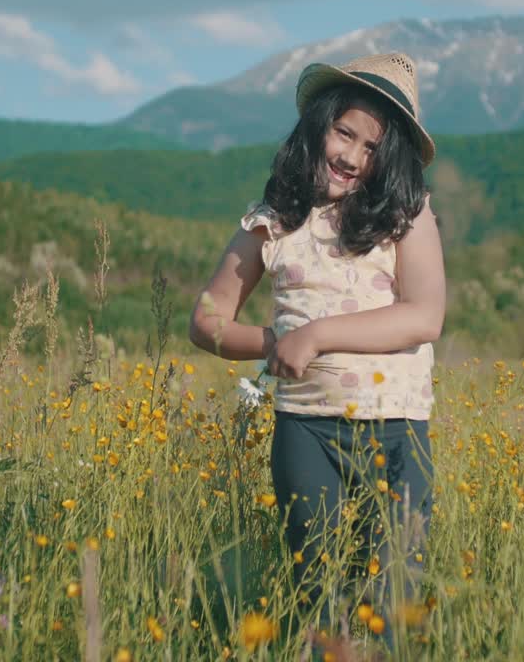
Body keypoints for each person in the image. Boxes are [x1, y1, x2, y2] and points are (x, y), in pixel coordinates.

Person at [189, 52, 445, 640]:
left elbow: (425, 316)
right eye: (344, 132)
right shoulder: (273, 220)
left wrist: (317, 335)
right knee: (319, 592)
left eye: (372, 147)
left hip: (397, 429)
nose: (352, 156)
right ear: (319, 125)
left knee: (390, 597)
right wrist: (273, 341)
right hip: (305, 429)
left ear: (392, 158)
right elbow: (206, 319)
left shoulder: (408, 214)